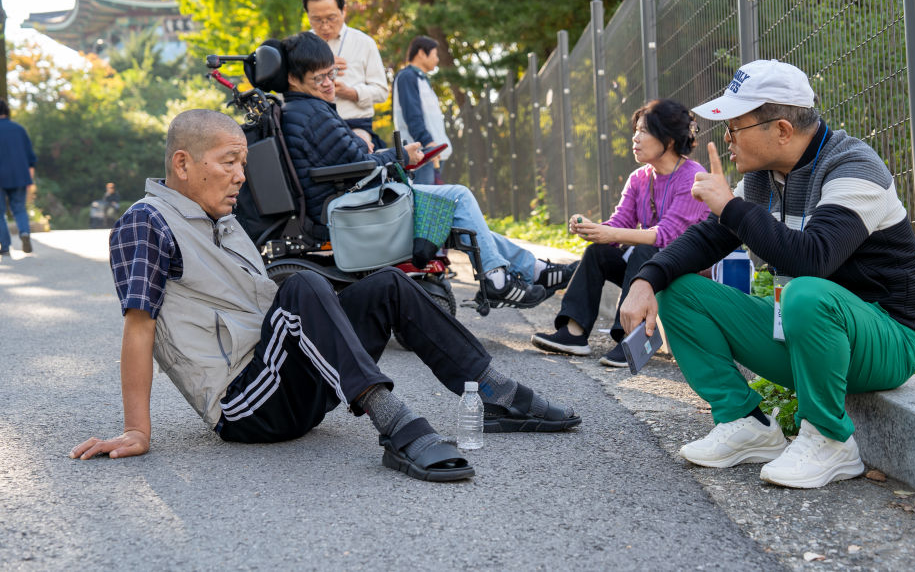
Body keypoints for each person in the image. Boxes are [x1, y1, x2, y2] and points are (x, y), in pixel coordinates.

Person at [69, 110, 581, 482]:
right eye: (229, 162)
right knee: (303, 285)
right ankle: (398, 427)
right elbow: (139, 325)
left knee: (388, 284)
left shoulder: (219, 219)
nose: (241, 176)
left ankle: (496, 396)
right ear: (182, 164)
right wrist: (137, 430)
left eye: (242, 163)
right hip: (245, 405)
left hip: (286, 377)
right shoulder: (146, 222)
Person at [618, 59, 915, 489]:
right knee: (681, 290)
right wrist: (645, 280)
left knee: (806, 292)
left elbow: (813, 259)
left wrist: (730, 207)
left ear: (781, 129)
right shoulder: (763, 178)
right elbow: (707, 239)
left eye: (734, 127)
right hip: (803, 337)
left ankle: (831, 440)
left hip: (883, 341)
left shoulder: (853, 166)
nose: (725, 139)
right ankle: (747, 425)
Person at [278, 32, 576, 308]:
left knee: (462, 220)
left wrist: (388, 153)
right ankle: (499, 277)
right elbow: (359, 163)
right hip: (349, 206)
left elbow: (354, 159)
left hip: (349, 199)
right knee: (457, 198)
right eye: (320, 78)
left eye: (332, 73)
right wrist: (400, 156)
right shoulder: (312, 114)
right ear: (293, 78)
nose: (329, 83)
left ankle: (531, 269)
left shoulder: (304, 110)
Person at [531, 99, 709, 366]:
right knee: (598, 252)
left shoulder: (692, 177)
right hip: (650, 267)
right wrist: (593, 229)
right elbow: (620, 222)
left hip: (685, 270)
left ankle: (630, 338)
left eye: (644, 131)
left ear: (669, 140)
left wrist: (612, 234)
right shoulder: (639, 178)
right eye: (635, 130)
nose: (635, 138)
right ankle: (573, 332)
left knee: (646, 249)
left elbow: (668, 236)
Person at [302, 0, 388, 150]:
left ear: (344, 11)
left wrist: (350, 92)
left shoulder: (364, 43)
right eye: (316, 20)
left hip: (355, 124)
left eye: (331, 18)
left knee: (360, 150)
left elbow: (381, 91)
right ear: (307, 15)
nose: (325, 26)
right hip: (313, 125)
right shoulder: (301, 46)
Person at [393, 36, 451, 185]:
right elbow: (412, 115)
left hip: (432, 151)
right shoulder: (407, 77)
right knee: (424, 199)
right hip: (421, 153)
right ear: (421, 53)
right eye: (434, 54)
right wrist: (428, 142)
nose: (437, 59)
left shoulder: (421, 79)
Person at [0, 98, 37, 256]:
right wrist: (30, 179)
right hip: (19, 176)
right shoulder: (19, 129)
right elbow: (31, 158)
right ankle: (24, 233)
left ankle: (5, 246)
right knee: (19, 209)